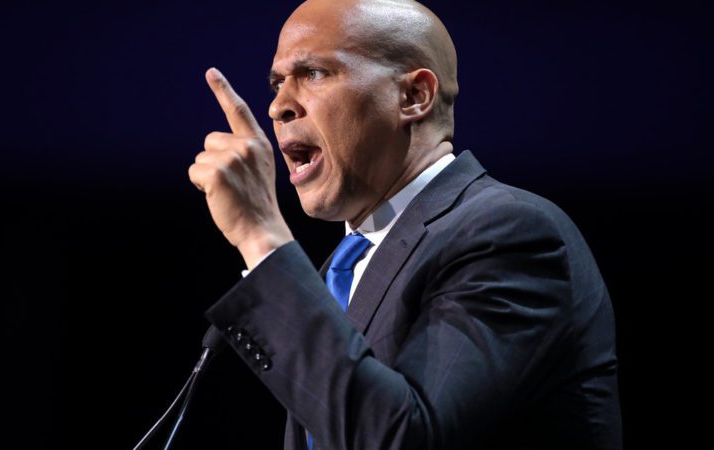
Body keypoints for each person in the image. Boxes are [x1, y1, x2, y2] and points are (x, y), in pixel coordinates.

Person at [187, 0, 623, 448]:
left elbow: (399, 438)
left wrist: (260, 236)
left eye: (314, 73)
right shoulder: (341, 266)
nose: (278, 106)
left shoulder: (509, 233)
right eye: (277, 83)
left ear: (414, 96)